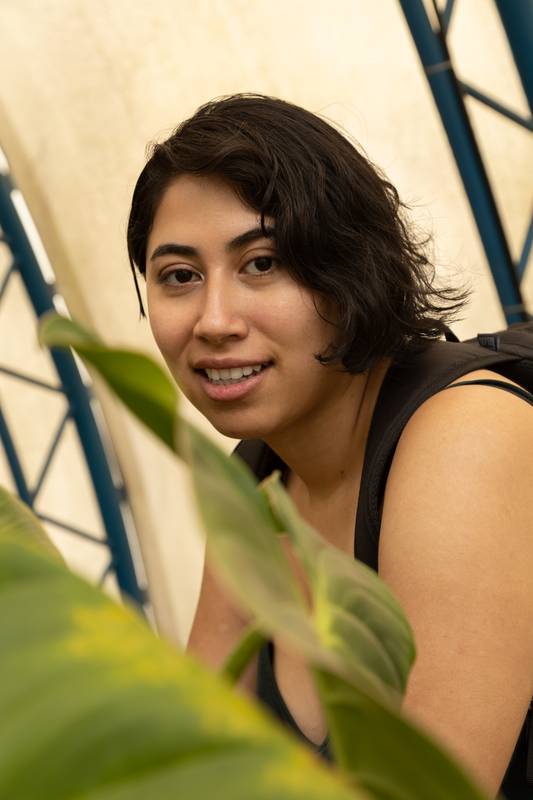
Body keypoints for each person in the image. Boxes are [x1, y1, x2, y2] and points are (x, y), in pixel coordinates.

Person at [126, 94, 533, 798]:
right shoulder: (260, 484)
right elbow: (186, 765)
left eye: (262, 264)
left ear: (349, 270)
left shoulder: (466, 435)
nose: (214, 321)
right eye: (180, 277)